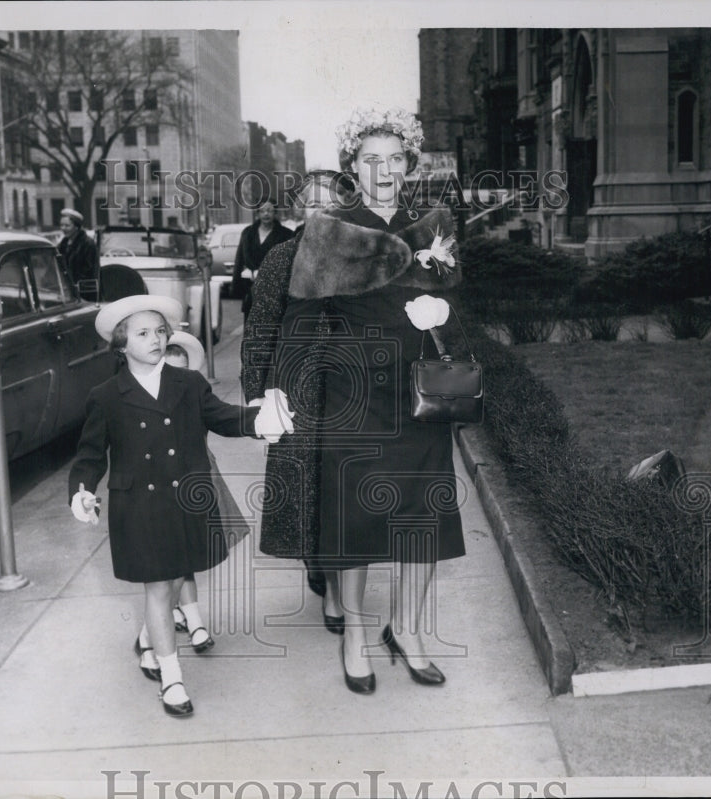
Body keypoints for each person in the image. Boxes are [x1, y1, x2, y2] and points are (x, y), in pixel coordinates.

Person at [268, 107, 467, 694]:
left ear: (410, 165)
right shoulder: (328, 230)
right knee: (352, 520)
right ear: (354, 166)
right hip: (352, 395)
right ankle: (355, 635)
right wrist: (278, 388)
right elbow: (299, 319)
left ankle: (406, 629)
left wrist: (444, 319)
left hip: (421, 396)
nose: (383, 169)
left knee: (422, 519)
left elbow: (462, 307)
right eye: (370, 159)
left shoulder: (434, 224)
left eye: (394, 158)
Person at [68, 296, 290, 717]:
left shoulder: (188, 384)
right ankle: (172, 679)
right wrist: (80, 490)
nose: (155, 339)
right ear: (120, 345)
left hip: (187, 499)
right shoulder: (106, 396)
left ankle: (149, 641)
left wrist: (257, 421)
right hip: (140, 507)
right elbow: (91, 455)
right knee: (159, 586)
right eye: (142, 333)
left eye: (160, 331)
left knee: (170, 584)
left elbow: (222, 416)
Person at [241, 170, 354, 632]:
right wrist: (254, 396)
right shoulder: (281, 259)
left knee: (344, 483)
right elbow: (260, 328)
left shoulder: (359, 257)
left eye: (331, 201)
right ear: (300, 209)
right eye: (312, 202)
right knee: (307, 481)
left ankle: (334, 583)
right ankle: (317, 562)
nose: (321, 209)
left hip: (351, 384)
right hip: (297, 386)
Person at [134, 332, 252, 665]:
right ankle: (152, 637)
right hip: (159, 491)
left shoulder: (193, 393)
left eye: (183, 371)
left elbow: (223, 417)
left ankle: (164, 630)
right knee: (172, 569)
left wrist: (259, 419)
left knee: (185, 563)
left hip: (196, 482)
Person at [232, 199, 295, 319]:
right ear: (257, 213)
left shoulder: (287, 235)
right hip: (251, 291)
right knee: (251, 330)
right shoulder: (248, 233)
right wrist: (236, 287)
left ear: (275, 213)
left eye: (270, 210)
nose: (266, 214)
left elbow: (290, 265)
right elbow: (239, 259)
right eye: (262, 211)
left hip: (275, 293)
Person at [58, 207, 100, 301]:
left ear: (76, 227)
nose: (63, 228)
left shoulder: (87, 244)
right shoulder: (63, 244)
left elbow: (88, 270)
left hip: (84, 294)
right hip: (67, 292)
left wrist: (72, 285)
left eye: (67, 225)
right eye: (61, 225)